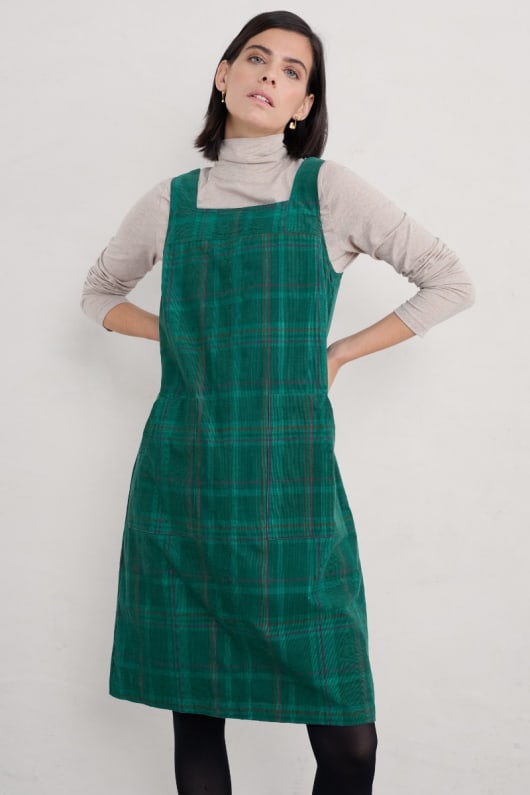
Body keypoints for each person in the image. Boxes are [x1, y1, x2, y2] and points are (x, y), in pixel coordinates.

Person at [81, 10, 474, 794]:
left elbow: (450, 281)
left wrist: (339, 352)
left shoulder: (326, 191)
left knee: (351, 746)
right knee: (198, 721)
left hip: (294, 498)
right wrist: (177, 333)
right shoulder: (169, 203)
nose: (271, 75)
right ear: (224, 76)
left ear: (304, 104)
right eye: (256, 59)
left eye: (293, 71)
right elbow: (98, 294)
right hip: (183, 494)